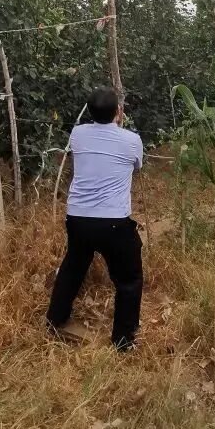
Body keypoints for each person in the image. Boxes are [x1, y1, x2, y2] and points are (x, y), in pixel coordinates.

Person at [46, 86, 144, 351]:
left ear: (89, 112)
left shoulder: (78, 134)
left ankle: (56, 318)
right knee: (129, 279)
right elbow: (137, 165)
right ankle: (123, 341)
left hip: (78, 218)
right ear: (119, 112)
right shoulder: (132, 140)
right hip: (114, 222)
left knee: (74, 266)